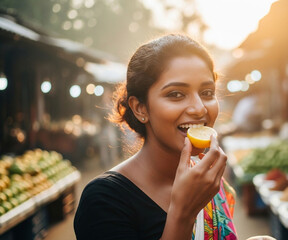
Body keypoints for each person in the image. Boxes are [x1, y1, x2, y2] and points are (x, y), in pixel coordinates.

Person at [74, 34, 237, 240]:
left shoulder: (207, 180)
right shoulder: (104, 201)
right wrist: (183, 213)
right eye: (176, 94)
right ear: (140, 108)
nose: (199, 108)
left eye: (207, 92)